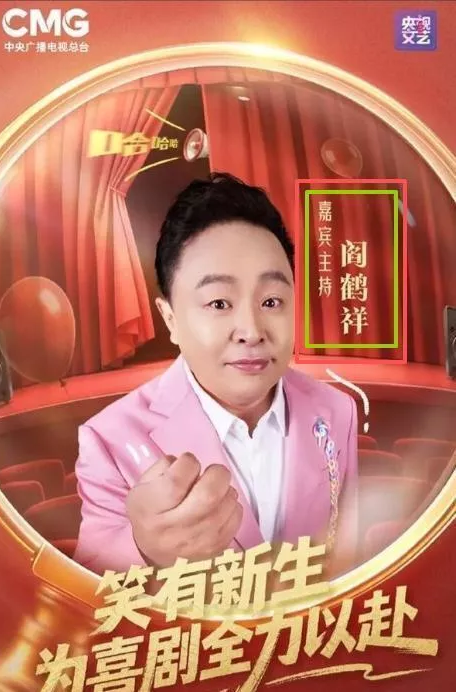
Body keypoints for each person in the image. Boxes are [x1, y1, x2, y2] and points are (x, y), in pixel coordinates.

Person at [73, 172, 358, 576]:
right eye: (220, 303)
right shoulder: (109, 439)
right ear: (170, 319)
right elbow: (86, 591)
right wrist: (144, 550)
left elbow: (347, 558)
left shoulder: (337, 410)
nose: (252, 331)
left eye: (272, 301)